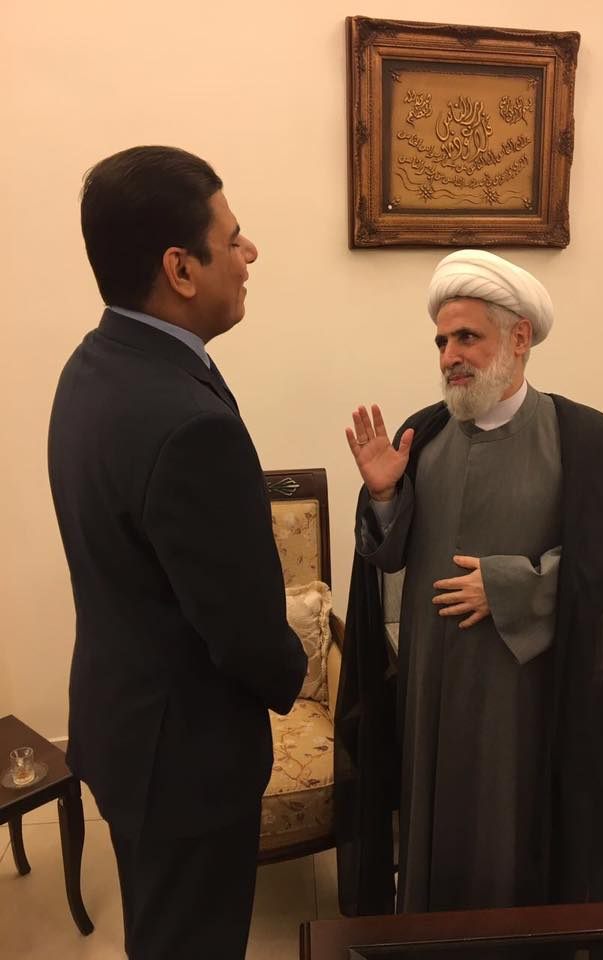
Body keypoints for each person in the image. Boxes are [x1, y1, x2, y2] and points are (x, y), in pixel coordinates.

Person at [334, 249, 603, 917]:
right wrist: (381, 498)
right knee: (435, 840)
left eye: (467, 337)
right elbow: (387, 557)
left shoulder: (585, 439)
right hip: (433, 691)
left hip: (526, 696)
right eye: (441, 341)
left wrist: (512, 587)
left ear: (520, 338)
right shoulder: (422, 437)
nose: (449, 357)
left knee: (512, 834)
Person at [48, 146, 307, 959]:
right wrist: (297, 669)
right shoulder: (188, 425)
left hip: (123, 722)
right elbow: (243, 631)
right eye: (232, 238)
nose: (249, 252)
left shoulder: (94, 365)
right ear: (181, 269)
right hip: (185, 762)